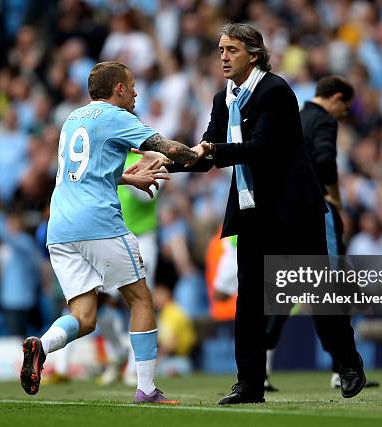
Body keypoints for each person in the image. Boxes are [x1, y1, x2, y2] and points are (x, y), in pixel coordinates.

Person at [135, 23, 364, 404]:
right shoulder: (222, 98)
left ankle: (348, 361)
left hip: (295, 208)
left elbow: (261, 149)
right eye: (221, 49)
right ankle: (250, 385)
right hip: (253, 210)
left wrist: (210, 150)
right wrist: (164, 163)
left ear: (254, 55)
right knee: (251, 301)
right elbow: (204, 155)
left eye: (232, 50)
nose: (223, 56)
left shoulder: (275, 91)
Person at [19, 61, 200, 403]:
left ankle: (41, 346)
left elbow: (84, 172)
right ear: (118, 89)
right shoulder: (118, 117)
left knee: (85, 317)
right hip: (98, 221)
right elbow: (169, 149)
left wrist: (128, 177)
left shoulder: (73, 119)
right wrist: (201, 152)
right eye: (131, 86)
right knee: (141, 300)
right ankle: (146, 389)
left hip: (59, 226)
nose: (136, 93)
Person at [265, 76, 370, 395]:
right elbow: (325, 161)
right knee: (333, 289)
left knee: (285, 292)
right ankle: (344, 368)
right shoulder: (324, 121)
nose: (343, 114)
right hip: (317, 212)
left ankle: (260, 366)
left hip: (286, 214)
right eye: (345, 108)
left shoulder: (296, 116)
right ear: (336, 98)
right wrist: (334, 195)